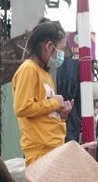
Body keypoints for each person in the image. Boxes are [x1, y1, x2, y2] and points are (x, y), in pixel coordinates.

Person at [12, 20, 74, 166]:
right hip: (39, 151)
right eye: (61, 49)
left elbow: (44, 112)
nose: (61, 55)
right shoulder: (28, 69)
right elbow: (22, 108)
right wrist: (55, 102)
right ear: (49, 46)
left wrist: (62, 114)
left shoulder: (45, 74)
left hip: (53, 147)